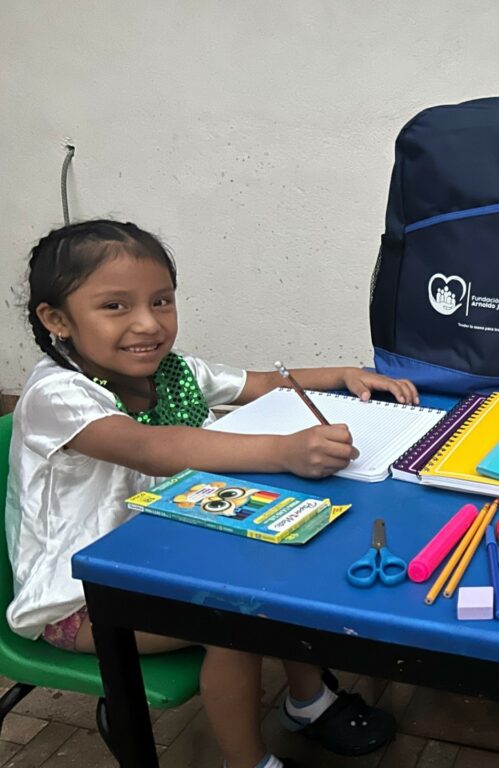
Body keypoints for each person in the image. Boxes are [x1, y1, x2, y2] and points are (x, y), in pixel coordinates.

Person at [6, 219, 420, 768]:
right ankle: (247, 762)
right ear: (56, 319)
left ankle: (307, 701)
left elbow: (261, 382)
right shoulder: (57, 395)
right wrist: (283, 451)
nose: (147, 324)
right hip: (81, 595)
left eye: (161, 301)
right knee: (234, 621)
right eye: (115, 307)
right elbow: (151, 448)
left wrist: (344, 373)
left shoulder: (171, 372)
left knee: (280, 566)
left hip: (166, 547)